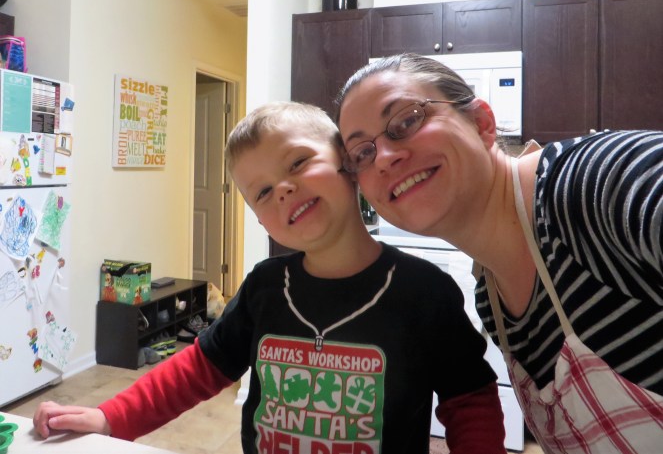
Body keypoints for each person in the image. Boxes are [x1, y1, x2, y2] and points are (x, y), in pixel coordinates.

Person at [33, 101, 507, 454]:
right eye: (261, 192)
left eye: (298, 163)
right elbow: (197, 369)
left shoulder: (424, 292)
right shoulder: (265, 287)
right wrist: (109, 416)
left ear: (347, 163)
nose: (282, 189)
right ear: (262, 221)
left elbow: (470, 401)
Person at [334, 53, 663, 453]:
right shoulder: (491, 301)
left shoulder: (593, 183)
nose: (385, 158)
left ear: (481, 124)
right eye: (362, 154)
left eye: (406, 121)